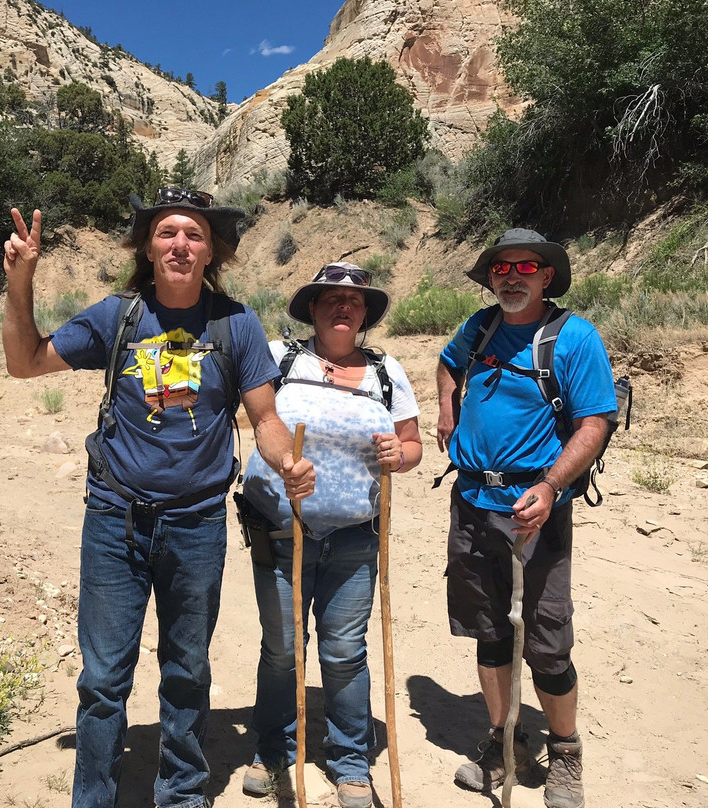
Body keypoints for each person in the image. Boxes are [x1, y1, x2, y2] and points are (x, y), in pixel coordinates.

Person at [1, 187, 316, 808]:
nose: (180, 244)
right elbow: (25, 362)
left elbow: (266, 417)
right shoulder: (116, 316)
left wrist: (285, 459)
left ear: (210, 251)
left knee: (187, 670)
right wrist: (21, 283)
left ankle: (182, 793)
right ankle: (93, 798)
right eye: (168, 232)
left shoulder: (236, 324)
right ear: (148, 247)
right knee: (102, 680)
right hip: (115, 520)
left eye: (194, 234)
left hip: (196, 524)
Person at [435, 229, 616, 808]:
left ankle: (565, 753)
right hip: (471, 503)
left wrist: (550, 485)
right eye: (501, 268)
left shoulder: (574, 339)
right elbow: (447, 363)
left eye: (526, 266)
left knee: (546, 642)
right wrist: (446, 407)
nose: (511, 276)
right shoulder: (479, 327)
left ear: (546, 276)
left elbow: (594, 425)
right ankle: (502, 739)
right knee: (488, 631)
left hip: (535, 511)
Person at [238, 263, 423, 808]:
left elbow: (412, 445)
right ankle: (273, 751)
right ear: (312, 310)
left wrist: (401, 455)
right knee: (283, 650)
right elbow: (249, 414)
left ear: (365, 314)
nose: (343, 307)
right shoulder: (278, 358)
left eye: (354, 301)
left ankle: (349, 763)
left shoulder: (386, 372)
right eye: (330, 299)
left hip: (355, 537)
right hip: (280, 531)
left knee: (345, 652)